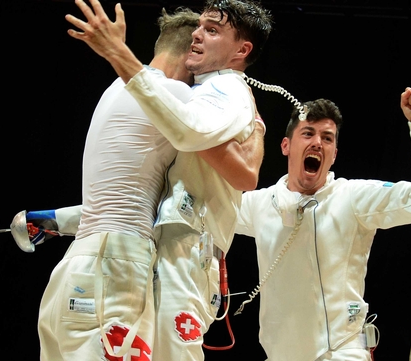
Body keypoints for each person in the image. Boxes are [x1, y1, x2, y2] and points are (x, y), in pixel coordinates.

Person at [52, 0, 273, 360]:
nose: (200, 35)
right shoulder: (180, 95)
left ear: (242, 50)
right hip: (135, 258)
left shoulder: (219, 90)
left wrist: (118, 55)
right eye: (199, 28)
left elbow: (222, 156)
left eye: (213, 30)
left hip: (172, 255)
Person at [229, 94, 411, 361]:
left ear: (334, 154)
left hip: (342, 353)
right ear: (286, 146)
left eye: (328, 138)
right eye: (308, 133)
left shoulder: (353, 198)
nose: (318, 143)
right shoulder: (259, 204)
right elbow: (203, 210)